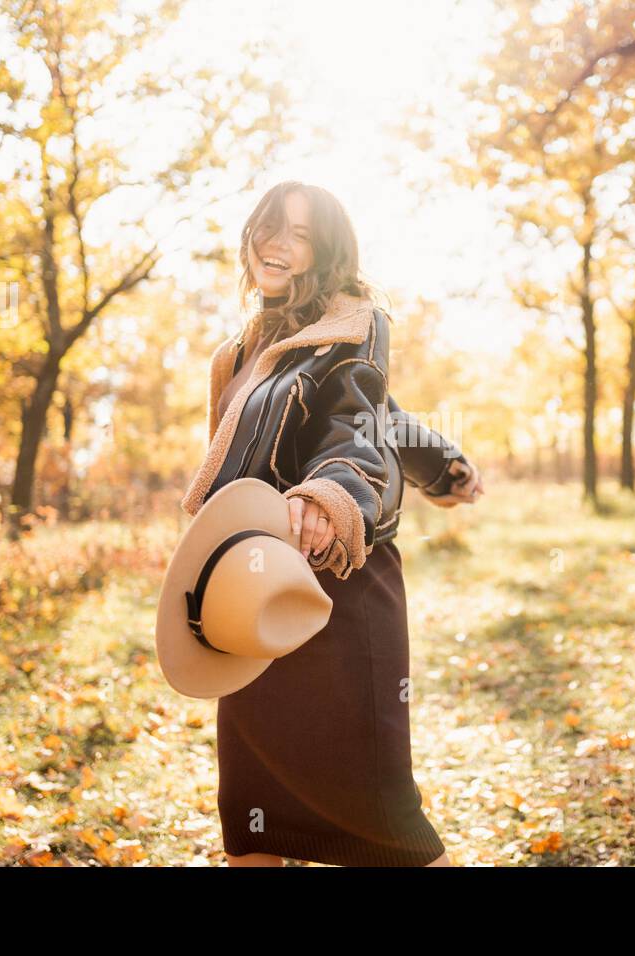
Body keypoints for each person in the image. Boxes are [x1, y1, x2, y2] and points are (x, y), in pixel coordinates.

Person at [178, 180, 483, 867]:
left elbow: (353, 422)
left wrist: (328, 496)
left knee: (384, 819)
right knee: (251, 818)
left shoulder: (356, 323)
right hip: (251, 596)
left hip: (337, 590)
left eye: (301, 234)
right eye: (270, 227)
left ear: (328, 253)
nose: (277, 245)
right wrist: (445, 465)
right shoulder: (245, 348)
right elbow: (386, 413)